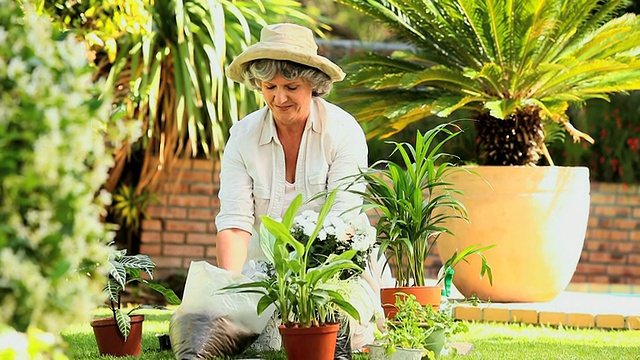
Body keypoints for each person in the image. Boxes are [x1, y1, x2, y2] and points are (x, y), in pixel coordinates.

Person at [214, 23, 388, 354]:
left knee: (346, 334)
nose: (278, 98)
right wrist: (229, 290)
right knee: (255, 338)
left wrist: (305, 298)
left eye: (291, 86)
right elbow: (235, 223)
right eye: (269, 86)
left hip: (338, 272)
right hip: (264, 272)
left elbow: (344, 221)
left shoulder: (343, 133)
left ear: (313, 84)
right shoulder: (242, 137)